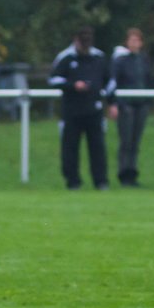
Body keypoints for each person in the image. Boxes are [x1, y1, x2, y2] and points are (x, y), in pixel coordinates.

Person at [49, 27, 113, 190]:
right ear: (75, 39)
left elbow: (110, 81)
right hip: (72, 111)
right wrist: (73, 85)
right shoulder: (65, 57)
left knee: (98, 148)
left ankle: (101, 181)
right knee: (70, 148)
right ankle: (73, 181)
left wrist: (112, 103)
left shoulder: (98, 57)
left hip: (94, 110)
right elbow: (53, 79)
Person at [107, 28, 153, 187]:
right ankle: (123, 174)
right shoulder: (120, 60)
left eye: (137, 40)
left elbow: (148, 80)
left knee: (135, 142)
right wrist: (113, 103)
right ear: (127, 42)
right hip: (125, 105)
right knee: (125, 142)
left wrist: (148, 101)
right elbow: (113, 82)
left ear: (141, 43)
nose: (134, 43)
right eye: (131, 40)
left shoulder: (144, 60)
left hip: (141, 105)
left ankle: (133, 174)